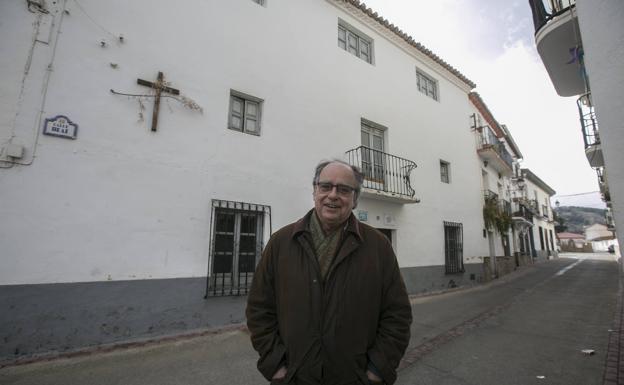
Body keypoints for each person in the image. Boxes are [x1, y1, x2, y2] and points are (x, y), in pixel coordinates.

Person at [246, 160, 412, 385]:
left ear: (355, 200)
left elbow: (397, 315)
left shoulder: (378, 246)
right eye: (326, 186)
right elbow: (259, 309)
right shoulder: (281, 243)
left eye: (344, 190)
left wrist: (376, 371)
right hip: (294, 377)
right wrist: (276, 365)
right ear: (315, 191)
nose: (333, 195)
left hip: (355, 378)